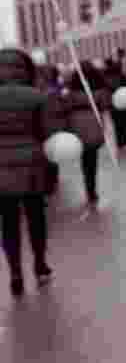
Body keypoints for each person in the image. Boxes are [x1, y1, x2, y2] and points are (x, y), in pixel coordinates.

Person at [0, 48, 62, 296]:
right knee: (36, 218)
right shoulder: (38, 97)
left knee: (8, 223)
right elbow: (48, 135)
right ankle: (40, 265)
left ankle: (15, 272)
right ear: (24, 69)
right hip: (33, 165)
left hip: (1, 166)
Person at [62, 60, 112, 211]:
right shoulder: (99, 91)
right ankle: (92, 189)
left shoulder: (71, 92)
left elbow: (66, 106)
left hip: (77, 125)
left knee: (84, 158)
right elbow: (105, 104)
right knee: (92, 158)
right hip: (94, 124)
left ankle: (88, 187)